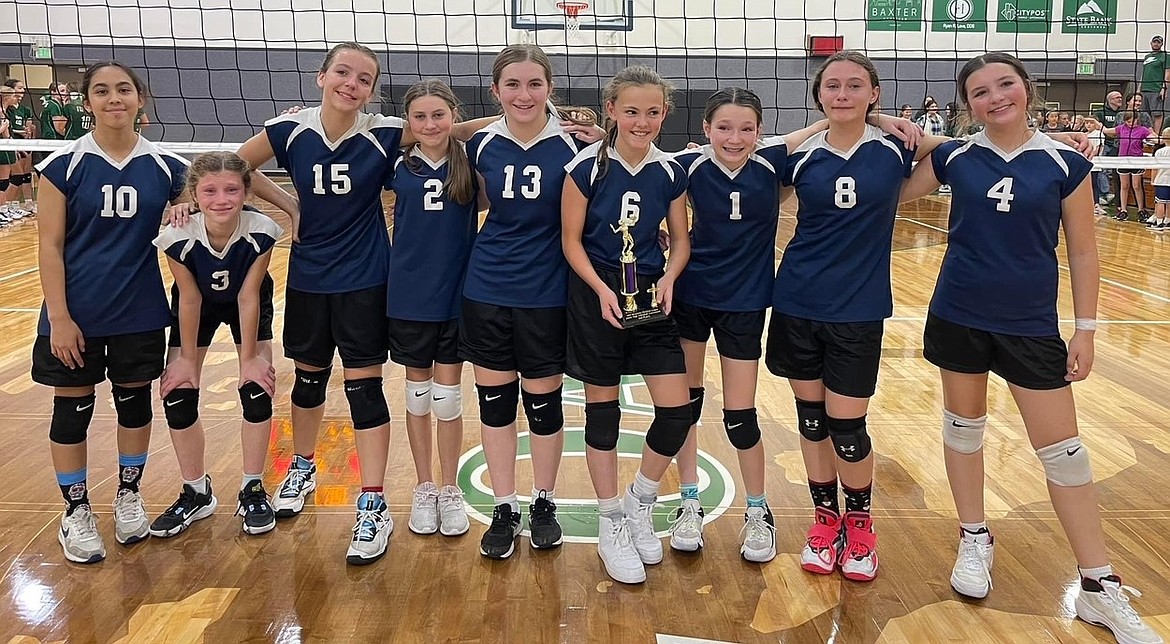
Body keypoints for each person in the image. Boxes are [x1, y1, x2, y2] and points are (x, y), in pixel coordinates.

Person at [900, 51, 1163, 644]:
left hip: (1030, 326)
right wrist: (903, 134)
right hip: (958, 316)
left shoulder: (1064, 163)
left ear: (1026, 88)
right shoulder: (953, 157)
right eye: (980, 92)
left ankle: (1099, 584)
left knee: (1065, 453)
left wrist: (1087, 329)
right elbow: (884, 197)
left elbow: (1085, 253)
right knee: (962, 428)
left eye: (1005, 85)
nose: (995, 98)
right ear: (967, 104)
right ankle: (974, 537)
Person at [233, 42, 495, 565]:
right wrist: (288, 203)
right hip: (308, 277)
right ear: (321, 76)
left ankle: (373, 499)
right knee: (307, 379)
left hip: (367, 280)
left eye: (364, 79)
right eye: (343, 73)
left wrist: (535, 114)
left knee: (365, 387)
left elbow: (447, 129)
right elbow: (234, 164)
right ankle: (301, 467)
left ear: (373, 91)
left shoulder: (383, 134)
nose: (351, 84)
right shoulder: (291, 130)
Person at [667, 88, 920, 563]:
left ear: (760, 131)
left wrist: (881, 119)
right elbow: (635, 157)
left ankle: (758, 511)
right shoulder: (687, 164)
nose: (734, 137)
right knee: (685, 409)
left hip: (745, 303)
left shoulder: (775, 162)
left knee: (740, 416)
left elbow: (819, 133)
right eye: (723, 127)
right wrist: (603, 132)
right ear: (705, 129)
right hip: (690, 300)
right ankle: (688, 502)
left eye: (746, 128)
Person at [33, 62, 189, 563]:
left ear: (140, 99)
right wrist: (59, 316)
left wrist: (183, 206)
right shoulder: (63, 165)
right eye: (101, 90)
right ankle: (75, 511)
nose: (113, 98)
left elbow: (205, 194)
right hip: (76, 312)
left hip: (139, 310)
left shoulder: (166, 168)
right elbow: (49, 246)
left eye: (123, 89)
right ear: (88, 101)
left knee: (134, 407)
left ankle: (128, 495)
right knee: (71, 410)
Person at [461, 43, 600, 560]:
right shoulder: (478, 145)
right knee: (495, 405)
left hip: (547, 292)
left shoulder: (576, 147)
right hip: (487, 288)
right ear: (495, 91)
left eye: (534, 84)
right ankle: (503, 506)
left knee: (542, 406)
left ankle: (543, 501)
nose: (524, 94)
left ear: (550, 89)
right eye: (512, 85)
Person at [562, 65, 691, 585]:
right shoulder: (585, 169)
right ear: (611, 111)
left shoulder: (670, 171)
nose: (643, 121)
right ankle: (610, 518)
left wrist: (671, 278)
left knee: (677, 412)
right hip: (598, 293)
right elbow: (571, 240)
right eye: (632, 111)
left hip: (651, 292)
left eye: (653, 112)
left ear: (665, 114)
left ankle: (640, 499)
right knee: (604, 410)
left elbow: (680, 238)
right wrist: (599, 290)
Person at [150, 152, 283, 538]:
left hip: (248, 300)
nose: (221, 199)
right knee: (178, 393)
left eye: (231, 190)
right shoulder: (179, 234)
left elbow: (248, 298)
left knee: (257, 389)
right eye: (209, 190)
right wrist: (187, 362)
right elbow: (189, 299)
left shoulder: (261, 230)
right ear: (193, 193)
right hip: (197, 306)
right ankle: (196, 491)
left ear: (246, 192)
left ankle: (253, 486)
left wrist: (249, 362)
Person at [387, 79, 476, 538]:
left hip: (457, 296)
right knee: (416, 397)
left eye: (439, 115)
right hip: (408, 296)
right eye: (419, 117)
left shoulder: (471, 158)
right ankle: (423, 486)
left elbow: (500, 125)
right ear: (408, 123)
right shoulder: (396, 161)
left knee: (448, 399)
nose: (429, 124)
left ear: (453, 116)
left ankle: (449, 486)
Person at [4, 79, 36, 213]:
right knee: (13, 176)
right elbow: (7, 129)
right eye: (20, 88)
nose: (22, 91)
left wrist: (28, 131)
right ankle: (7, 206)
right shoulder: (7, 109)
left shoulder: (25, 109)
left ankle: (16, 205)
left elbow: (28, 127)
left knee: (23, 175)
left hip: (21, 144)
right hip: (10, 145)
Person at [1140, 35, 1170, 132]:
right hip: (1144, 89)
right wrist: (1138, 88)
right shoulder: (1147, 57)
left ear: (1161, 44)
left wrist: (1164, 88)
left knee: (1157, 114)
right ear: (1151, 43)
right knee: (1144, 114)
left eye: (1158, 42)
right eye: (1154, 42)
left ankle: (1156, 135)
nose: (1156, 44)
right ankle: (1145, 133)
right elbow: (1143, 73)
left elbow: (1167, 73)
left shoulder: (1165, 56)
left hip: (1156, 89)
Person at [1146, 127, 1170, 230]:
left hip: (1162, 181)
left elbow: (1155, 168)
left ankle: (1159, 222)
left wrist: (1152, 179)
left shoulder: (1160, 152)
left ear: (1163, 138)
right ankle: (1168, 221)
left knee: (1160, 202)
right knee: (1169, 202)